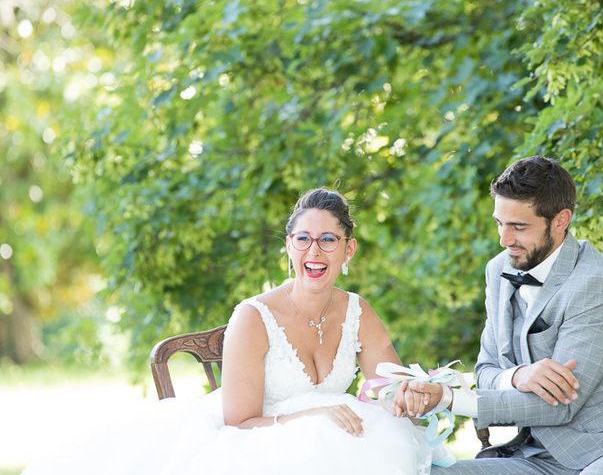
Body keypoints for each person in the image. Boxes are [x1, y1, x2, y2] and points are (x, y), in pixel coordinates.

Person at [22, 188, 433, 475]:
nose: (314, 252)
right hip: (254, 446)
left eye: (328, 240)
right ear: (289, 245)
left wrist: (408, 394)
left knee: (380, 442)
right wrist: (315, 415)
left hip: (329, 446)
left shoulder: (359, 311)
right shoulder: (253, 317)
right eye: (303, 239)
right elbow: (239, 421)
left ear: (349, 249)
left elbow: (388, 384)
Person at [397, 156, 603, 474]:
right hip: (531, 456)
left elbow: (561, 405)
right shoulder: (498, 269)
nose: (504, 239)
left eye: (519, 227)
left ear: (560, 221)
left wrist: (448, 398)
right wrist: (516, 376)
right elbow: (485, 369)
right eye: (500, 223)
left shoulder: (598, 281)